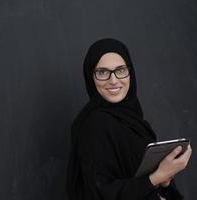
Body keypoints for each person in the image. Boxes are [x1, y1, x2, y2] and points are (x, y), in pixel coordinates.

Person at [66, 38, 192, 200]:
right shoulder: (93, 125)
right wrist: (157, 177)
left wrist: (166, 180)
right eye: (103, 72)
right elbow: (100, 193)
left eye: (120, 70)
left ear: (130, 73)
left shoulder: (137, 123)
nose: (113, 80)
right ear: (91, 77)